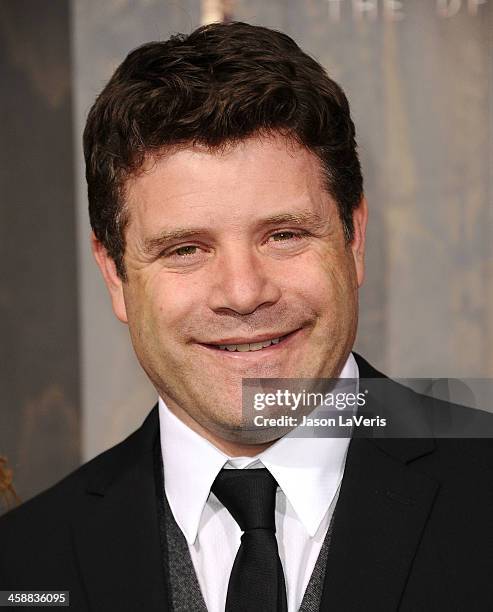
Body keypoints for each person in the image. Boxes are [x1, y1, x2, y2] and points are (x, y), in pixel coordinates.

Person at [1, 20, 492, 612]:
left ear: (354, 238)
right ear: (115, 274)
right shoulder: (24, 560)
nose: (242, 292)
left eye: (284, 235)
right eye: (185, 249)